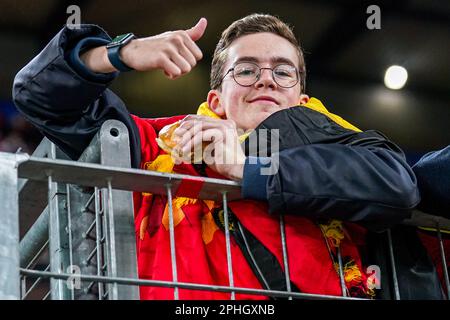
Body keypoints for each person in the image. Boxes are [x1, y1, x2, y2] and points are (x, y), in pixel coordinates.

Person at [13, 14, 421, 299]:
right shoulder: (161, 144)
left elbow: (397, 184)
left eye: (283, 72)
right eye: (245, 70)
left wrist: (249, 168)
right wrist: (118, 54)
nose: (266, 79)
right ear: (216, 100)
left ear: (302, 98)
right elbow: (39, 94)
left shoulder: (335, 146)